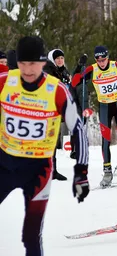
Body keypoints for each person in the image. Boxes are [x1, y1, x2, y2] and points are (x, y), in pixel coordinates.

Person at [0, 36, 89, 256]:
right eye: (23, 63)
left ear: (43, 63)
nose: (28, 70)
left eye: (34, 63)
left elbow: (78, 128)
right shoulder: (4, 82)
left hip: (38, 171)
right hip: (4, 165)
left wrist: (81, 171)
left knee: (31, 236)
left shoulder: (56, 90)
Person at [71, 46, 117, 186]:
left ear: (107, 57)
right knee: (106, 139)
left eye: (103, 59)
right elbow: (74, 82)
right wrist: (79, 67)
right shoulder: (92, 69)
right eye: (98, 60)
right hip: (104, 106)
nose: (101, 63)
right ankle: (107, 172)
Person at [43, 49, 71, 181]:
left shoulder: (62, 70)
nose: (60, 60)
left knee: (53, 140)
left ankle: (52, 170)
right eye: (57, 58)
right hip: (46, 110)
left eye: (61, 58)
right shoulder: (48, 69)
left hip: (57, 110)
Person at [69, 54, 90, 159]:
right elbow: (84, 100)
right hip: (78, 109)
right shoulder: (81, 85)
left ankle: (75, 149)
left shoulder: (75, 82)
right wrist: (85, 112)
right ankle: (78, 149)